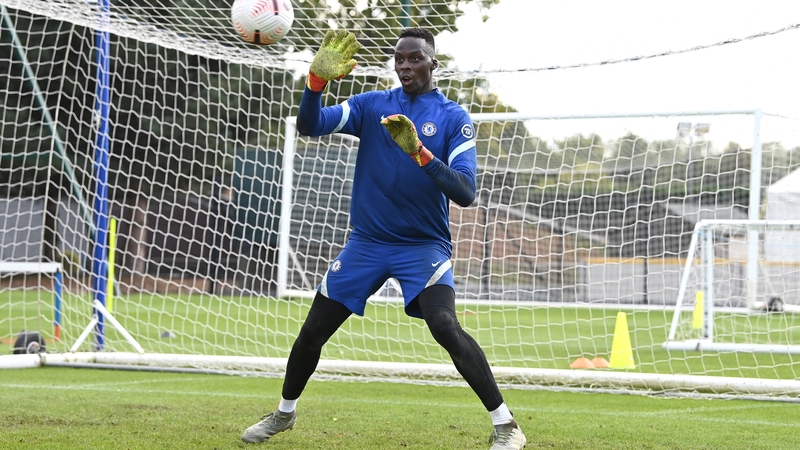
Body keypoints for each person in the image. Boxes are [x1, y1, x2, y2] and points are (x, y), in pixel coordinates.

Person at [241, 27, 527, 450]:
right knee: (312, 331)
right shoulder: (372, 105)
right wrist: (315, 85)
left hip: (422, 247)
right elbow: (310, 125)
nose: (405, 65)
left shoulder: (453, 118)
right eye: (399, 58)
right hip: (367, 244)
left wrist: (420, 152)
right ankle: (284, 414)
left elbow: (466, 193)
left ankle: (506, 426)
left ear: (433, 63)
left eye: (415, 58)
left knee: (444, 324)